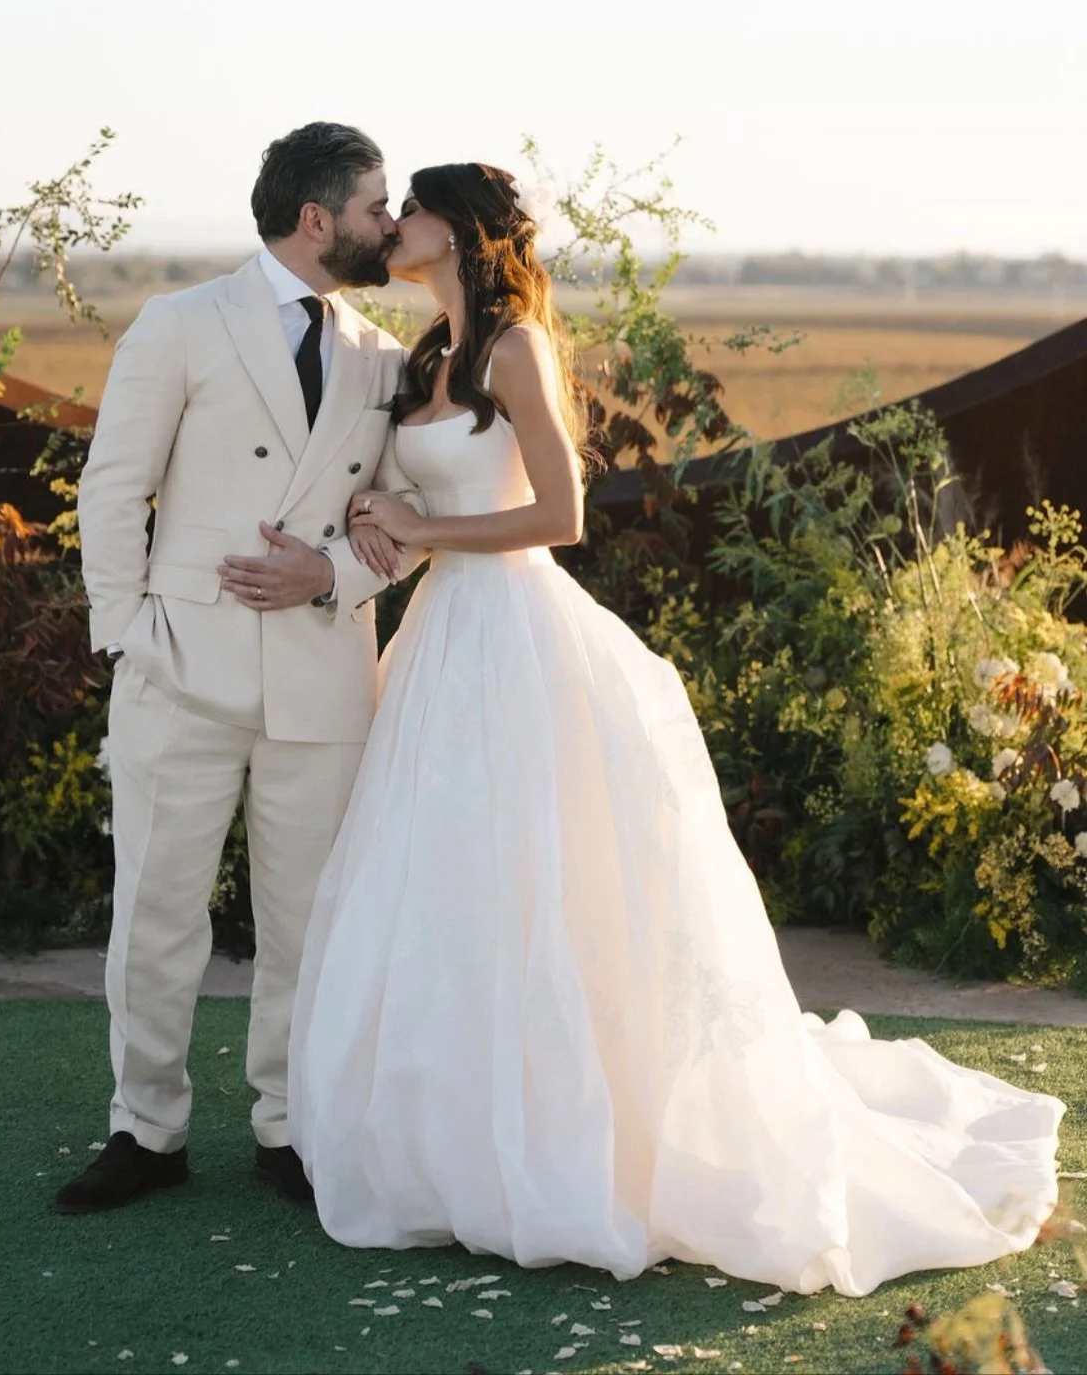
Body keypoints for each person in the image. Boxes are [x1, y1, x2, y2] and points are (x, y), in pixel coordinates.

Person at [288, 161, 1065, 1295]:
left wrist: (425, 524)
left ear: (456, 230)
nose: (394, 224)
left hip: (517, 638)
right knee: (452, 886)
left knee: (548, 885)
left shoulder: (514, 350)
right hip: (441, 642)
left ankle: (577, 1136)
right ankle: (450, 1135)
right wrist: (383, 522)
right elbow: (429, 513)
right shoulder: (424, 361)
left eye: (410, 206)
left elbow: (558, 516)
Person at [58, 122, 420, 1214]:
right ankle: (146, 1128)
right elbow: (111, 486)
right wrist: (127, 632)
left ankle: (289, 1127)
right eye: (374, 205)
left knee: (306, 920)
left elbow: (401, 522)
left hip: (321, 673)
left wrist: (331, 579)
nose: (389, 224)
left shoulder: (383, 359)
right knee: (156, 910)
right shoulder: (181, 323)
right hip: (182, 663)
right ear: (316, 218)